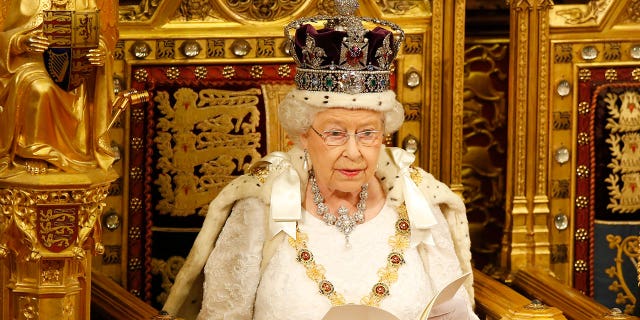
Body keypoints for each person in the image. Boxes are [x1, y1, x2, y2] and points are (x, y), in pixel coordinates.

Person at [160, 1, 479, 319]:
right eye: (336, 133)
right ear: (302, 135)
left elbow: (456, 310)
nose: (354, 152)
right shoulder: (262, 204)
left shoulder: (418, 201)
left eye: (367, 133)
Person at [0, 0, 118, 175]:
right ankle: (36, 152)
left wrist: (99, 51)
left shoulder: (83, 1)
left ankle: (72, 152)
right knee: (41, 89)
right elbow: (5, 38)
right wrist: (22, 42)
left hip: (74, 70)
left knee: (69, 88)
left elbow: (96, 35)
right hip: (32, 64)